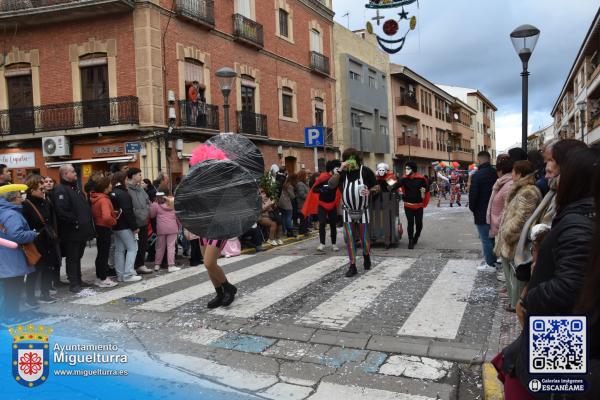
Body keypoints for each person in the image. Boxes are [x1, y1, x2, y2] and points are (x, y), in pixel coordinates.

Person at [494, 146, 597, 398]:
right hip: (565, 324)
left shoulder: (578, 221)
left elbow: (570, 286)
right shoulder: (578, 213)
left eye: (556, 167)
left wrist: (530, 299)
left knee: (536, 388)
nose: (549, 174)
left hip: (562, 326)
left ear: (575, 178)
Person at [511, 139, 588, 284]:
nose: (546, 170)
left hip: (554, 276)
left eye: (550, 160)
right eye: (546, 161)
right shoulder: (555, 189)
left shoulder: (572, 195)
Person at [493, 160, 542, 311]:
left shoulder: (528, 191)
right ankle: (514, 303)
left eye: (514, 171)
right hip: (511, 243)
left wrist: (507, 233)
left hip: (516, 243)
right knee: (511, 277)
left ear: (520, 174)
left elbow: (521, 220)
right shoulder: (521, 189)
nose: (512, 174)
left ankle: (517, 306)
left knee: (516, 279)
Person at [328, 148, 380, 277]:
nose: (350, 161)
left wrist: (371, 191)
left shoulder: (366, 171)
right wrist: (340, 169)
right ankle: (352, 265)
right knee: (350, 239)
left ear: (356, 159)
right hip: (347, 210)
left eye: (352, 158)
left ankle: (366, 255)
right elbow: (331, 185)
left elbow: (377, 186)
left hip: (363, 210)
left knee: (364, 238)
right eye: (347, 159)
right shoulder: (342, 173)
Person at [53, 164, 95, 293]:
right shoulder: (61, 189)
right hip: (71, 231)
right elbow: (62, 211)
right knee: (72, 258)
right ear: (65, 174)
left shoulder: (75, 188)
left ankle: (78, 280)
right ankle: (74, 283)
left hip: (81, 230)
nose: (76, 173)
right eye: (73, 172)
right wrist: (75, 221)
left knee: (78, 257)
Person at [0, 184, 38, 326]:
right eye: (19, 196)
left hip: (4, 257)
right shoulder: (11, 214)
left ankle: (7, 316)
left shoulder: (2, 211)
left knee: (7, 289)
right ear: (13, 199)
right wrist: (33, 233)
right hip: (12, 258)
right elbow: (17, 235)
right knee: (13, 288)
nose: (21, 199)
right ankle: (11, 318)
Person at [22, 175, 61, 305]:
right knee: (35, 270)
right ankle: (30, 297)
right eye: (40, 188)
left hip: (48, 241)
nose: (44, 189)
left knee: (48, 268)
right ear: (31, 189)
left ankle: (45, 294)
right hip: (35, 242)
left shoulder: (46, 202)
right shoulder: (26, 205)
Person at [303, 159, 341, 252]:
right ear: (331, 169)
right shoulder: (323, 177)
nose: (337, 170)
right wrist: (321, 190)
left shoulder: (339, 178)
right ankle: (322, 243)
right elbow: (314, 189)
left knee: (333, 224)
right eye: (336, 168)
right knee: (322, 223)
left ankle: (334, 244)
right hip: (322, 204)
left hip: (332, 204)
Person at [468, 151, 498, 271]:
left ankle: (490, 264)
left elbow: (473, 195)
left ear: (479, 160)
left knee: (485, 239)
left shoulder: (477, 175)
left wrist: (472, 208)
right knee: (492, 238)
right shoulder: (495, 173)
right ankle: (494, 260)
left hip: (481, 211)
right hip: (495, 211)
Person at [486, 154, 513, 282]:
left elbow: (508, 207)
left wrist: (497, 221)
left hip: (502, 225)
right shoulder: (502, 183)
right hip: (499, 225)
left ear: (501, 171)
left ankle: (506, 278)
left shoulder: (508, 184)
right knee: (502, 253)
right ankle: (505, 276)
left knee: (505, 254)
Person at [110, 172, 141, 282]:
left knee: (119, 250)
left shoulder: (112, 192)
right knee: (132, 248)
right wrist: (134, 227)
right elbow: (128, 211)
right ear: (123, 180)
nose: (127, 182)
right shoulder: (124, 194)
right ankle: (128, 274)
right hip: (125, 226)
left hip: (116, 226)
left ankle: (120, 274)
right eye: (126, 179)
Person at [90, 176, 118, 288]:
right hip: (104, 227)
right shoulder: (104, 200)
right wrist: (114, 220)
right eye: (110, 184)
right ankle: (103, 278)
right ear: (105, 187)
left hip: (98, 227)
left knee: (101, 254)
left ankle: (99, 277)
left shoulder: (96, 198)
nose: (111, 185)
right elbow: (106, 217)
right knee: (104, 254)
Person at [396, 162, 429, 249]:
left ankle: (416, 236)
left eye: (408, 169)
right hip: (408, 205)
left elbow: (427, 188)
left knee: (419, 224)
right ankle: (410, 240)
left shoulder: (421, 179)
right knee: (410, 223)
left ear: (413, 170)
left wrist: (424, 189)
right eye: (405, 168)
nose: (406, 170)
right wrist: (387, 181)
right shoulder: (404, 179)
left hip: (419, 205)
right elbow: (395, 185)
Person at [127, 168, 152, 274]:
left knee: (143, 244)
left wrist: (147, 209)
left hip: (143, 221)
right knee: (133, 246)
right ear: (133, 176)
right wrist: (137, 212)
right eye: (139, 175)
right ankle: (132, 266)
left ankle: (140, 264)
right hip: (134, 222)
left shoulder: (140, 188)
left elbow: (147, 200)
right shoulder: (127, 189)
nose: (141, 177)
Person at [150, 191, 181, 273]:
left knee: (160, 247)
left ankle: (157, 265)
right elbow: (177, 216)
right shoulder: (171, 204)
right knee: (171, 247)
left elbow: (152, 215)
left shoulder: (155, 205)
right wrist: (179, 226)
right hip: (172, 227)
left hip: (161, 228)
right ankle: (171, 265)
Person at [371, 163, 401, 249]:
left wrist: (389, 183)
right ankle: (374, 236)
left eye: (383, 170)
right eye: (379, 170)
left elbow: (393, 186)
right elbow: (372, 186)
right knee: (376, 218)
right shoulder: (375, 178)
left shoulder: (390, 177)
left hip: (388, 201)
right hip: (376, 202)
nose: (381, 171)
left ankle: (387, 239)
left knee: (387, 220)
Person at [295, 171, 310, 235]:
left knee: (305, 218)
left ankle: (305, 230)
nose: (307, 176)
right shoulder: (300, 184)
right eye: (305, 175)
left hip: (305, 204)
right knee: (303, 218)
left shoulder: (304, 183)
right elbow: (302, 194)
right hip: (302, 204)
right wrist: (309, 196)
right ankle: (302, 231)